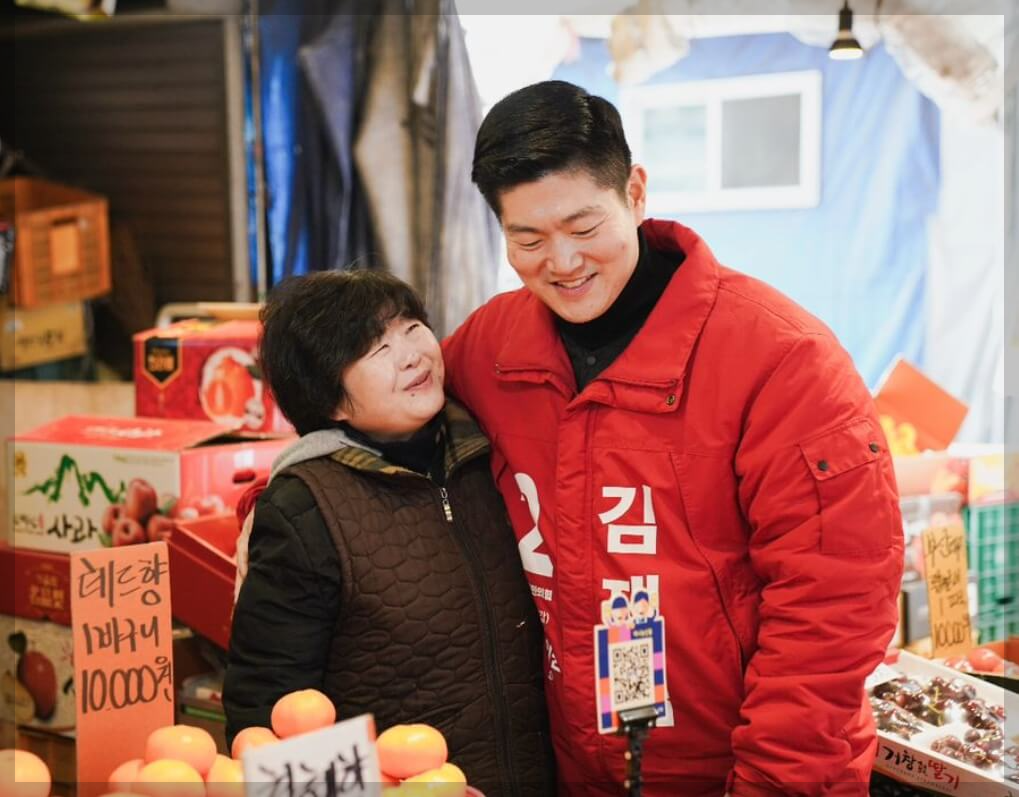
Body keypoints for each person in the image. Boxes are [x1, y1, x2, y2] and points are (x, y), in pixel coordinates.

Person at [439, 80, 905, 796]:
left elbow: (832, 610)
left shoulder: (779, 359)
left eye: (583, 227)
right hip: (571, 765)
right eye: (527, 239)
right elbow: (384, 436)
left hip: (736, 769)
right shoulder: (490, 348)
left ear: (634, 192)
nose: (561, 262)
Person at [223, 270, 556, 797]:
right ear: (328, 400)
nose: (411, 355)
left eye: (411, 327)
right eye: (375, 349)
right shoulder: (305, 506)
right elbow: (268, 709)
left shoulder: (491, 458)